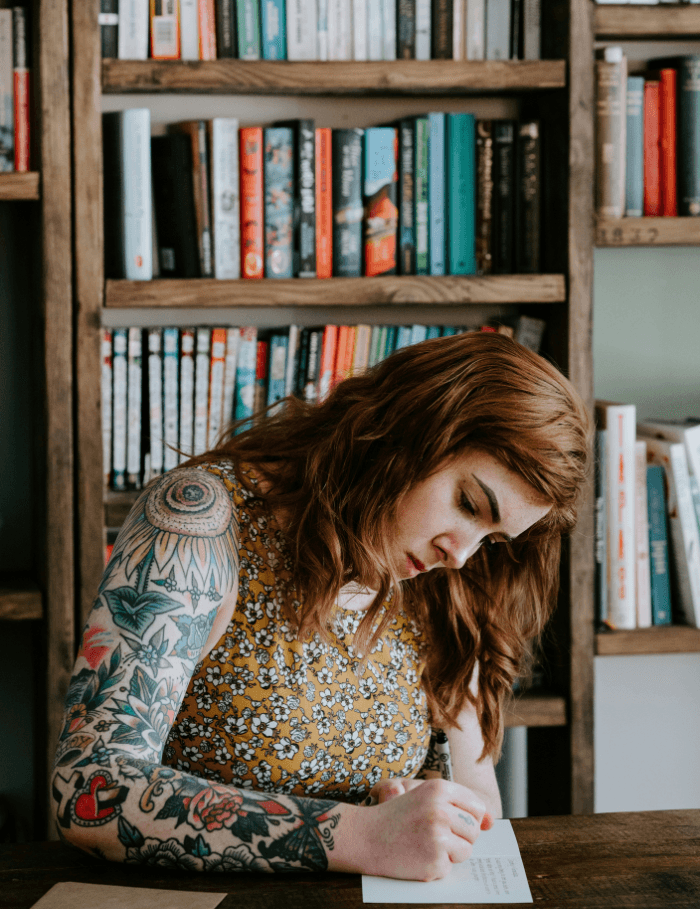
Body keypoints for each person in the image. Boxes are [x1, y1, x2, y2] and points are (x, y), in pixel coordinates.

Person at [51, 331, 590, 880]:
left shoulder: (445, 584)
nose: (461, 553)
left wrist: (428, 814)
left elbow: (480, 809)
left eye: (492, 539)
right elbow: (91, 786)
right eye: (469, 503)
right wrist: (360, 834)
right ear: (408, 429)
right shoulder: (201, 523)